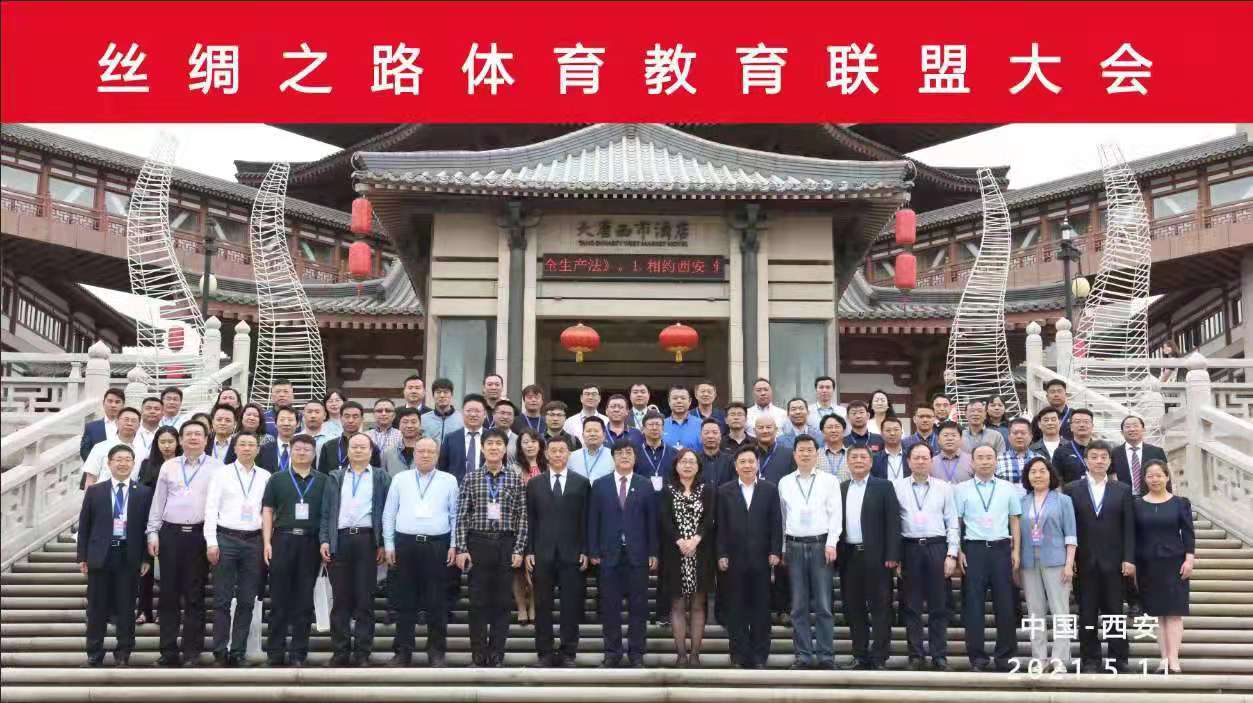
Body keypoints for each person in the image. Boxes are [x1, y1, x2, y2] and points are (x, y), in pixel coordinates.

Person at [146, 420, 224, 667]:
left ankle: (192, 652)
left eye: (198, 434)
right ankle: (168, 651)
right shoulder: (169, 466)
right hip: (170, 534)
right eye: (188, 434)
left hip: (199, 536)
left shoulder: (217, 467)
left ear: (206, 439)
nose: (193, 438)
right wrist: (152, 532)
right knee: (168, 595)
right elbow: (158, 502)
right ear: (180, 440)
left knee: (195, 595)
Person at [382, 436, 459, 668]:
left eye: (430, 452)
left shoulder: (449, 480)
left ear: (437, 455)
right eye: (421, 451)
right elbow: (389, 513)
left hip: (437, 545)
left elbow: (455, 515)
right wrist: (389, 544)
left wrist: (454, 545)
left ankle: (436, 652)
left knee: (437, 602)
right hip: (405, 544)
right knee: (405, 601)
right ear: (414, 454)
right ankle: (402, 652)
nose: (425, 455)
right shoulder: (400, 479)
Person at [455, 428, 528, 667]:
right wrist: (461, 548)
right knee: (476, 602)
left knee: (502, 602)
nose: (494, 447)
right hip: (478, 543)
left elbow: (522, 516)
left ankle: (497, 652)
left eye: (499, 443)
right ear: (483, 448)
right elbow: (462, 515)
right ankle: (478, 653)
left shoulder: (515, 478)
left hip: (506, 543)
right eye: (490, 443)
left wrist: (519, 549)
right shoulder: (471, 478)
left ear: (505, 449)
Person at [1063, 439, 1135, 673]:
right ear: (1086, 460)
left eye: (1104, 457)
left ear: (1110, 461)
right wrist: (1070, 559)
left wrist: (1129, 558)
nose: (1099, 461)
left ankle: (1118, 658)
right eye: (1094, 457)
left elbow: (1129, 527)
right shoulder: (1072, 489)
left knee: (1115, 611)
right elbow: (1068, 527)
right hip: (1083, 562)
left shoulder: (1122, 489)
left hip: (1114, 562)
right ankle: (1090, 659)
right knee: (1087, 613)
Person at [319, 433, 391, 667]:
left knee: (365, 600)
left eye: (363, 447)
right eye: (354, 447)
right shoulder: (335, 476)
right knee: (340, 600)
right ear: (348, 451)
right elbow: (326, 512)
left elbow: (387, 512)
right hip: (340, 540)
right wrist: (324, 540)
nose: (358, 450)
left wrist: (383, 543)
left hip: (367, 540)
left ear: (371, 451)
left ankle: (362, 653)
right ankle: (340, 652)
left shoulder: (380, 477)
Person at [78, 444, 153, 667]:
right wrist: (82, 556)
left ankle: (123, 653)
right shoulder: (95, 491)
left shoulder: (143, 492)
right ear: (109, 463)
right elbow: (85, 526)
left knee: (126, 607)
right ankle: (94, 653)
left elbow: (147, 528)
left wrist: (146, 558)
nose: (123, 463)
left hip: (128, 556)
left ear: (133, 463)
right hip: (101, 555)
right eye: (118, 459)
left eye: (127, 459)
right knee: (96, 608)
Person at [588, 438, 657, 668]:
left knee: (638, 607)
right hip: (609, 555)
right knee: (610, 607)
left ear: (635, 457)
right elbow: (593, 519)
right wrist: (593, 549)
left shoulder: (645, 485)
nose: (624, 456)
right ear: (613, 457)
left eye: (629, 452)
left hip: (638, 555)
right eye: (620, 453)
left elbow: (651, 521)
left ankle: (636, 654)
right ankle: (612, 653)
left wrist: (653, 552)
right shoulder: (600, 485)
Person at [204, 432, 269, 667]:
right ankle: (220, 651)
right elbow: (211, 508)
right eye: (242, 444)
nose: (247, 448)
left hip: (254, 541)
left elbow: (268, 512)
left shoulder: (265, 476)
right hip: (226, 539)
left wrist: (267, 542)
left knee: (247, 600)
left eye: (252, 445)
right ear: (235, 448)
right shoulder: (221, 474)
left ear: (258, 450)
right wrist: (211, 541)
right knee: (222, 599)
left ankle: (238, 651)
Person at [262, 434, 327, 668]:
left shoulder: (323, 480)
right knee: (279, 600)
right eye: (298, 448)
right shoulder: (277, 479)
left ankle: (299, 653)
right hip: (282, 540)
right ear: (290, 451)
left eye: (307, 449)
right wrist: (267, 542)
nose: (302, 452)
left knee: (304, 601)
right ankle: (275, 653)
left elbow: (327, 514)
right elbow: (267, 510)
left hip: (310, 543)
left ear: (314, 453)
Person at [955, 444, 1022, 672]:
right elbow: (957, 522)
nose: (985, 461)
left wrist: (1016, 551)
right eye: (980, 458)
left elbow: (1014, 520)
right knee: (973, 606)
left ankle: (1005, 657)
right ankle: (977, 658)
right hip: (973, 550)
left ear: (996, 461)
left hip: (1001, 549)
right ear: (972, 462)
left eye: (989, 457)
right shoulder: (961, 489)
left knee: (1005, 605)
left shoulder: (1008, 488)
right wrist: (958, 550)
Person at [777, 435, 842, 670]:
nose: (805, 454)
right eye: (801, 450)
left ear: (817, 454)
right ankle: (803, 655)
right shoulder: (785, 482)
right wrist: (782, 548)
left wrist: (832, 543)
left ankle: (826, 656)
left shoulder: (829, 481)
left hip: (820, 545)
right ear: (794, 454)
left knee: (824, 605)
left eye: (809, 450)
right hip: (794, 546)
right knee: (798, 606)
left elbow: (836, 514)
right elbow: (782, 518)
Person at [525, 438, 590, 668]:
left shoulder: (581, 483)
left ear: (568, 454)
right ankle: (544, 652)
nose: (558, 454)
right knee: (542, 605)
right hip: (542, 553)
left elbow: (586, 520)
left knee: (570, 605)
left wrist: (585, 549)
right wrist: (529, 550)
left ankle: (568, 652)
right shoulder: (535, 484)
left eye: (562, 450)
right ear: (546, 454)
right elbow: (530, 520)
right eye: (553, 450)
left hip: (572, 554)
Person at [894, 442, 959, 671]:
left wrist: (952, 554)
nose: (921, 461)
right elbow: (893, 524)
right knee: (911, 606)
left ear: (932, 461)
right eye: (916, 458)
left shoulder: (944, 488)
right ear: (909, 461)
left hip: (936, 547)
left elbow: (952, 522)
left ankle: (939, 656)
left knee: (938, 605)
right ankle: (916, 655)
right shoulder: (897, 487)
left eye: (925, 458)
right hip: (909, 548)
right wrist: (896, 556)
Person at [716, 445, 782, 669]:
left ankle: (759, 656)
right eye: (742, 462)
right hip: (734, 560)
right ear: (735, 466)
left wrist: (775, 551)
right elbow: (720, 525)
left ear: (757, 464)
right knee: (736, 609)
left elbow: (776, 523)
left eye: (751, 461)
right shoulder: (724, 491)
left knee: (761, 609)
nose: (747, 465)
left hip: (762, 558)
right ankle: (738, 655)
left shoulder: (769, 489)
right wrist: (721, 553)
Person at [838, 444, 900, 670]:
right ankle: (860, 655)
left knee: (880, 607)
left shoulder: (884, 486)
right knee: (853, 608)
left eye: (863, 457)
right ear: (848, 462)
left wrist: (893, 554)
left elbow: (893, 522)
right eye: (853, 457)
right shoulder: (841, 488)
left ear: (871, 462)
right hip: (849, 556)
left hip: (878, 558)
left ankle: (879, 657)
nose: (858, 461)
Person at [1133, 460, 1194, 674]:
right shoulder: (1137, 504)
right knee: (1158, 613)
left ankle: (1174, 659)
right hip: (1147, 564)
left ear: (1167, 477)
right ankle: (1163, 659)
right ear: (1144, 479)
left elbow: (1188, 533)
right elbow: (1134, 535)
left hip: (1175, 562)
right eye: (1150, 476)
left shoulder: (1180, 503)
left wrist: (1189, 559)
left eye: (1159, 475)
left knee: (1174, 613)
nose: (1155, 479)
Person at [1017, 456, 1077, 673]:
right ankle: (1039, 657)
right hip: (1029, 562)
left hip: (1057, 561)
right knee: (1035, 612)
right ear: (1027, 477)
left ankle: (1060, 658)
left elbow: (1071, 534)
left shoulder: (1063, 500)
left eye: (1042, 471)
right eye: (1033, 472)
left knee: (1060, 611)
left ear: (1050, 474)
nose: (1038, 475)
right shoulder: (1022, 502)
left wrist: (1069, 563)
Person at [659, 448, 715, 667]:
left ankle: (695, 655)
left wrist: (695, 540)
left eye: (692, 461)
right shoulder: (667, 490)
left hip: (701, 553)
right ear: (676, 465)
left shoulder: (707, 490)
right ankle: (681, 654)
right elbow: (664, 519)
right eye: (683, 461)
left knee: (699, 605)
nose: (688, 465)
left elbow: (709, 518)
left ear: (698, 466)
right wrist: (680, 541)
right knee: (678, 604)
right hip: (675, 554)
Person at [136, 425, 180, 625]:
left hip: (174, 522)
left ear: (178, 442)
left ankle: (164, 610)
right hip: (149, 520)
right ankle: (144, 610)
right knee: (146, 567)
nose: (167, 446)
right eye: (163, 442)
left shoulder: (182, 464)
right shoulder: (147, 464)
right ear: (156, 444)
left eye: (171, 441)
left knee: (170, 570)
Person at [508, 427, 542, 626]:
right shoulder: (513, 468)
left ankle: (534, 606)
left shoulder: (547, 466)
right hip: (517, 524)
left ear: (540, 444)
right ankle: (521, 606)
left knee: (538, 568)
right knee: (518, 569)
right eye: (525, 442)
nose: (530, 445)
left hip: (542, 524)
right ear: (520, 446)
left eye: (534, 441)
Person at [82, 406, 146, 487]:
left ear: (139, 425)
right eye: (126, 420)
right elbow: (90, 479)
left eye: (134, 421)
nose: (129, 423)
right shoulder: (100, 447)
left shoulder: (143, 451)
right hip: (102, 492)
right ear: (116, 422)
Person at [437, 395, 489, 483]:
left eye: (477, 411)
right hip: (456, 488)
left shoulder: (491, 437)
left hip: (484, 488)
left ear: (485, 414)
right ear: (462, 412)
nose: (473, 414)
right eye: (469, 411)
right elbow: (442, 468)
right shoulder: (450, 438)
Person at [1112, 415, 1167, 495]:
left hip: (1152, 497)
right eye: (1127, 427)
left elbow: (1165, 475)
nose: (1132, 429)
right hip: (1123, 498)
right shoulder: (1114, 453)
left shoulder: (1157, 452)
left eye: (1135, 426)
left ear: (1143, 430)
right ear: (1122, 432)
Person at [318, 402, 381, 473]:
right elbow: (322, 475)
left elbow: (376, 474)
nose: (351, 420)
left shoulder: (371, 446)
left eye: (355, 416)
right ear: (341, 418)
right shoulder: (328, 446)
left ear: (362, 419)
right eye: (347, 416)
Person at [1051, 408, 1096, 484]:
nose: (1082, 425)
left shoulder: (1102, 450)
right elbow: (1056, 481)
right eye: (1077, 422)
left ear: (1092, 426)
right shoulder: (1060, 452)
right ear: (1071, 427)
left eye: (1086, 422)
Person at [997, 418, 1040, 494]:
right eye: (1015, 433)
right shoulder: (998, 460)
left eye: (1023, 433)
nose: (1019, 436)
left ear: (1031, 437)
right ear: (1009, 437)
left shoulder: (1040, 460)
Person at [80, 388, 124, 461]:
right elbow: (84, 451)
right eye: (110, 401)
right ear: (103, 403)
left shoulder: (128, 426)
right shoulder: (91, 427)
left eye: (117, 402)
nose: (113, 405)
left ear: (123, 405)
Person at [569, 416, 614, 483]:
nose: (592, 434)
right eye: (588, 431)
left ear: (604, 435)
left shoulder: (613, 456)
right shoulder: (572, 457)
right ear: (583, 435)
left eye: (596, 431)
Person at [381, 407, 424, 478]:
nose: (409, 426)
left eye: (413, 422)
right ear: (399, 425)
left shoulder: (430, 450)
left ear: (420, 424)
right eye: (405, 422)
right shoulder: (389, 452)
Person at [420, 378, 464, 447]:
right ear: (433, 395)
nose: (442, 395)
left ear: (451, 394)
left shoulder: (462, 419)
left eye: (446, 392)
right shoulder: (423, 419)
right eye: (438, 392)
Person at [636, 412, 678, 484]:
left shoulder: (674, 453)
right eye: (650, 425)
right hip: (641, 491)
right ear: (643, 429)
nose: (654, 428)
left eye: (658, 424)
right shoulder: (635, 453)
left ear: (663, 429)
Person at [753, 415, 795, 484]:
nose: (765, 431)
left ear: (776, 430)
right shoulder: (748, 454)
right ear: (754, 431)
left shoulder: (789, 454)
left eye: (768, 427)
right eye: (760, 428)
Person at [257, 406, 299, 472]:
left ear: (297, 424)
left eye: (290, 420)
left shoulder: (304, 450)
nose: (286, 423)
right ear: (275, 423)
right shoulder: (263, 450)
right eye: (282, 420)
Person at [663, 385, 703, 451]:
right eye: (675, 398)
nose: (679, 401)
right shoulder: (661, 425)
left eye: (683, 398)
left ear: (690, 401)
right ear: (669, 401)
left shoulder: (701, 424)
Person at [697, 418, 733, 487]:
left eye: (715, 432)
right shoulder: (695, 461)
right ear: (700, 437)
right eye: (706, 433)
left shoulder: (730, 461)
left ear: (720, 436)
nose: (710, 436)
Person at [818, 414, 850, 480]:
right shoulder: (815, 455)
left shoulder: (852, 454)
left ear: (844, 430)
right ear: (822, 432)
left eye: (837, 427)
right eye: (829, 427)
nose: (833, 430)